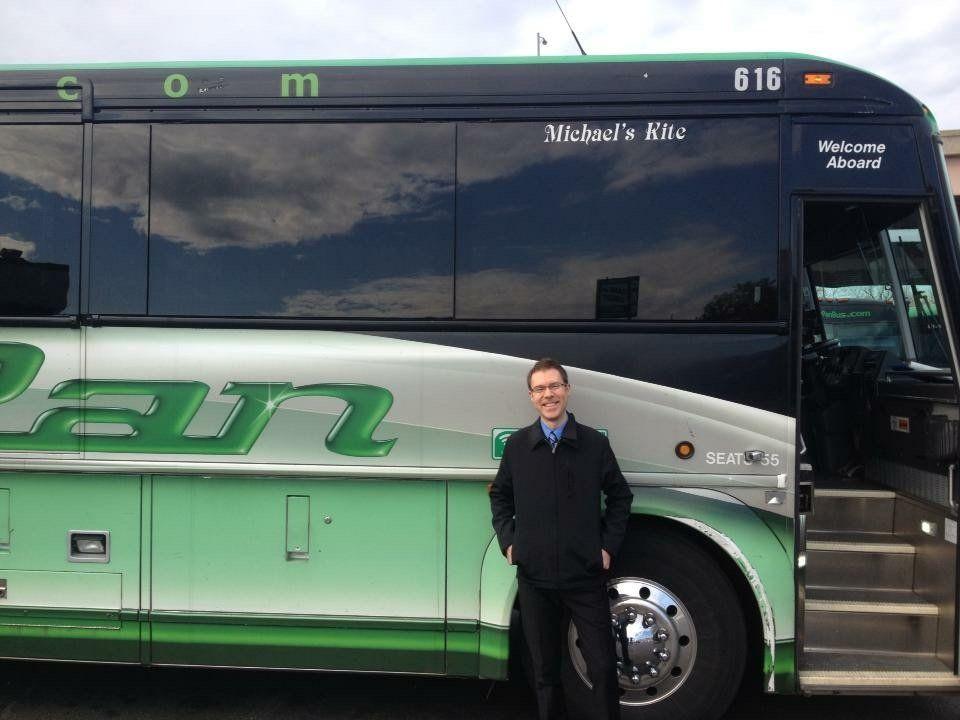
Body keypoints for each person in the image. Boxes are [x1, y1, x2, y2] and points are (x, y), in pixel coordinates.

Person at [490, 358, 633, 720]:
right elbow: (500, 496)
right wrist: (510, 543)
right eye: (540, 388)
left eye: (554, 386)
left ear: (567, 390)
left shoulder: (593, 445)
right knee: (545, 673)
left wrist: (606, 548)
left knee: (601, 668)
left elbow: (620, 497)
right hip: (534, 579)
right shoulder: (519, 446)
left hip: (585, 577)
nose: (548, 394)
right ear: (531, 396)